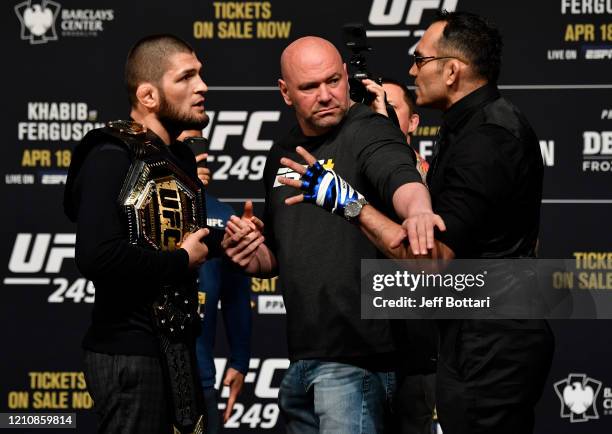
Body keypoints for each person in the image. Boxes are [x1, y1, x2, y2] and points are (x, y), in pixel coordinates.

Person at [278, 11, 554, 434]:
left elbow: (434, 259)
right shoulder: (472, 127)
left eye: (420, 59)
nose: (411, 69)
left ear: (452, 71)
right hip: (477, 333)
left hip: (492, 342)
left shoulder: (487, 141)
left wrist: (350, 204)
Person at [223, 36, 440, 434]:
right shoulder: (282, 152)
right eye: (309, 87)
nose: (326, 96)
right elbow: (280, 251)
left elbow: (400, 177)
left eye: (332, 81)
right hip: (304, 356)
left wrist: (419, 211)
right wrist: (256, 257)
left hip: (357, 360)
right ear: (285, 92)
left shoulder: (369, 130)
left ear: (345, 75)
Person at [64, 34, 211, 433]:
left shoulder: (176, 158)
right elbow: (97, 256)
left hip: (176, 349)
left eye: (200, 75)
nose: (202, 87)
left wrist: (222, 242)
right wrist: (181, 260)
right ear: (148, 95)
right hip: (128, 353)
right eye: (186, 77)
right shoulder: (110, 157)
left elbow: (168, 237)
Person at [178, 129, 252, 433]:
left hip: (200, 376)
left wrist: (239, 361)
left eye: (202, 141)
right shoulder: (140, 208)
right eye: (188, 144)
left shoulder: (223, 215)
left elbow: (236, 296)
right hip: (147, 375)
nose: (202, 152)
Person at [381, 78, 437, 434]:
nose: (380, 116)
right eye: (373, 109)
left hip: (421, 346)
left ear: (414, 123)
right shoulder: (345, 176)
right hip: (362, 346)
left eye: (391, 108)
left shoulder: (439, 180)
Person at [382, 78, 429, 180]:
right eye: (373, 107)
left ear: (412, 122)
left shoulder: (428, 179)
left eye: (389, 107)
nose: (380, 112)